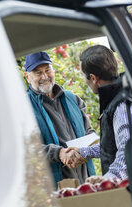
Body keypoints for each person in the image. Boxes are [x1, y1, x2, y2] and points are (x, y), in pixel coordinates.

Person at [24, 51, 96, 187]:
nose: (45, 76)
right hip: (53, 189)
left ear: (53, 70)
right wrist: (58, 153)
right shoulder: (23, 107)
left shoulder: (73, 99)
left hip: (86, 182)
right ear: (27, 77)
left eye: (47, 70)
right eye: (38, 72)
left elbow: (89, 133)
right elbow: (27, 148)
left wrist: (82, 151)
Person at [68, 45, 132, 184]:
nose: (84, 80)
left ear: (93, 78)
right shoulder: (115, 96)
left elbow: (128, 148)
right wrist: (84, 152)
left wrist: (108, 179)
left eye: (83, 75)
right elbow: (112, 143)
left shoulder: (121, 104)